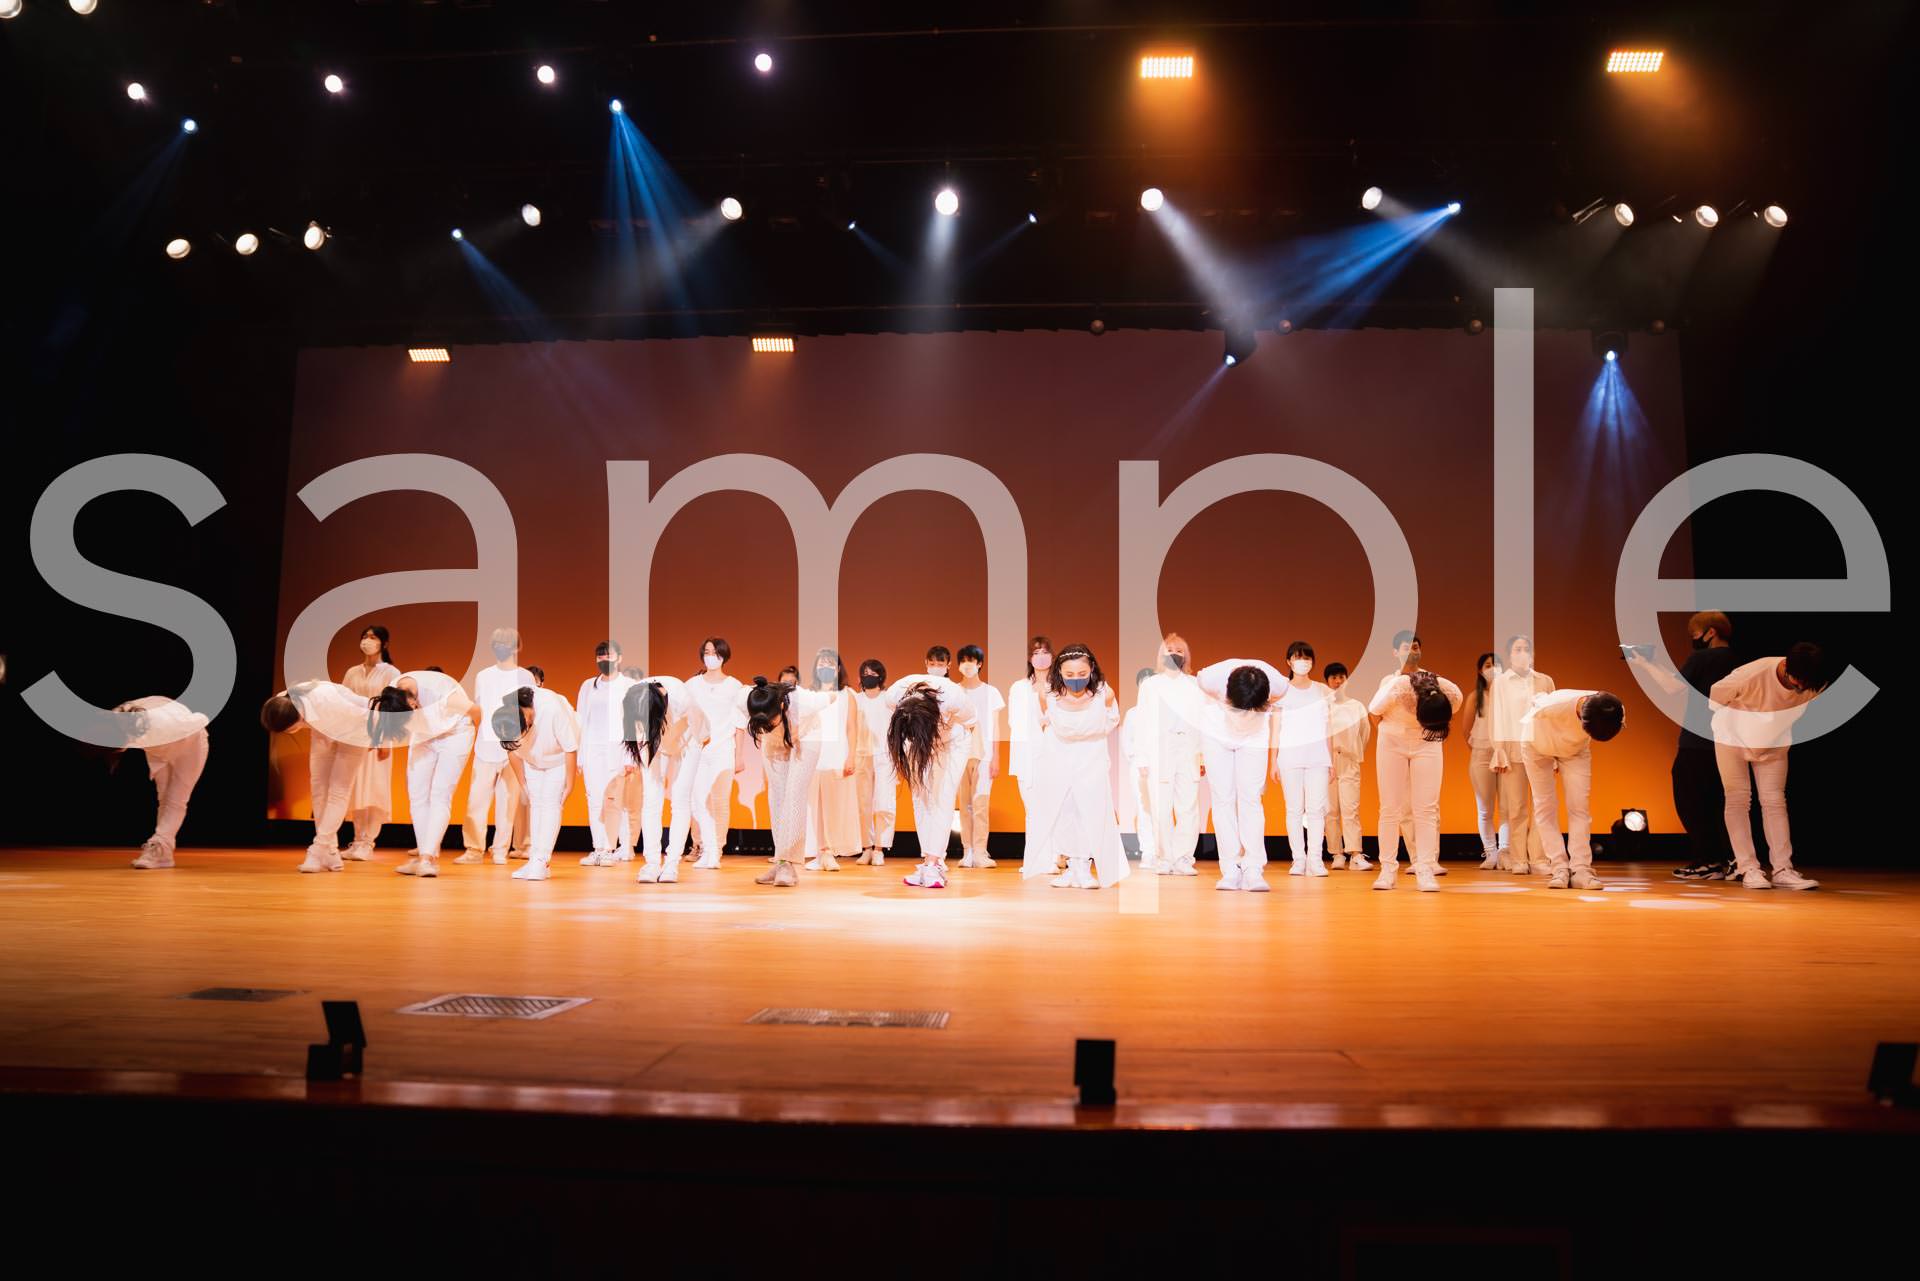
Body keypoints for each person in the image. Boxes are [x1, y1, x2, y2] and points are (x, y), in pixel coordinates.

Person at [1626, 611, 1741, 880]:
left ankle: (1708, 861)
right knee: (1722, 802)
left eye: (1695, 634)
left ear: (1710, 632)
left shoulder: (1703, 657)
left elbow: (1673, 687)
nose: (1694, 639)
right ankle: (1733, 858)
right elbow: (1682, 681)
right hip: (1729, 740)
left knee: (1691, 800)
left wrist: (1644, 664)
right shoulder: (1736, 659)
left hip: (1698, 741)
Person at [1710, 644, 1830, 891]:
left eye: (1805, 684)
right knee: (1738, 799)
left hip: (1774, 741)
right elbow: (1715, 696)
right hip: (1731, 738)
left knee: (1775, 801)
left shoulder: (1815, 682)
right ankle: (1748, 868)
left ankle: (1783, 869)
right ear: (1785, 665)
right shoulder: (1753, 673)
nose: (1800, 687)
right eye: (1797, 680)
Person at [1366, 632, 1462, 892]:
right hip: (1392, 742)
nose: (1412, 650)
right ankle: (1387, 870)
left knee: (1426, 808)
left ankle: (1425, 869)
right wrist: (1391, 734)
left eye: (1416, 646)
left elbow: (1453, 703)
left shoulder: (1435, 681)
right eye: (1407, 646)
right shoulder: (1391, 682)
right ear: (1395, 652)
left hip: (1426, 742)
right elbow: (1374, 712)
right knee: (1390, 807)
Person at [1030, 644, 1129, 890]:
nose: (1076, 679)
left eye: (1082, 674)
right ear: (1059, 672)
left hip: (1091, 759)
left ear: (1091, 669)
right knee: (1064, 812)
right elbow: (1045, 724)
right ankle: (1071, 866)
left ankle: (1084, 867)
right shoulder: (1048, 695)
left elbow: (1110, 723)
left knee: (1090, 811)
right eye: (1069, 674)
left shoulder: (1104, 694)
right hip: (1058, 759)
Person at [367, 670, 477, 879]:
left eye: (413, 709)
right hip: (424, 735)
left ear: (412, 698)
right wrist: (381, 741)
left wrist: (482, 743)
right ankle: (423, 856)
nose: (416, 709)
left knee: (440, 795)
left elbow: (476, 711)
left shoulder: (442, 693)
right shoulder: (393, 693)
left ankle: (428, 859)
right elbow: (385, 718)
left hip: (455, 733)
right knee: (417, 796)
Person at [261, 680, 378, 873]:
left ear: (299, 715)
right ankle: (330, 851)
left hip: (355, 729)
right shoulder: (283, 701)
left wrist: (377, 737)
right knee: (319, 789)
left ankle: (317, 850)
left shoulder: (330, 701)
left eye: (289, 728)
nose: (290, 732)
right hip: (324, 728)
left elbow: (367, 710)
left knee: (338, 791)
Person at [1194, 656, 1285, 892]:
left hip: (1254, 736)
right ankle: (1230, 868)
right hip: (1217, 734)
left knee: (1251, 799)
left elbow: (1280, 697)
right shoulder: (1211, 679)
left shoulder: (1277, 683)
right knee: (1223, 799)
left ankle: (1253, 869)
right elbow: (1199, 689)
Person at [1520, 689, 1626, 890]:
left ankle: (1581, 869)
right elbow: (1529, 713)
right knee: (1545, 806)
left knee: (1579, 807)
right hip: (1536, 747)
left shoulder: (1615, 710)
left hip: (1576, 751)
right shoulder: (1552, 705)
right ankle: (1559, 867)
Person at [745, 676, 845, 887]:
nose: (766, 725)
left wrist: (798, 726)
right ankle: (781, 862)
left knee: (794, 795)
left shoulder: (804, 701)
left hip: (806, 736)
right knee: (777, 798)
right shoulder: (747, 699)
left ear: (781, 707)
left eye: (769, 720)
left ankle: (787, 865)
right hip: (774, 742)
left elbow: (833, 696)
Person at [887, 674, 978, 890]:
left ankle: (934, 862)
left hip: (954, 741)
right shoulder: (893, 695)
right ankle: (928, 860)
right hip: (916, 739)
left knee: (942, 796)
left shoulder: (952, 697)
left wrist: (941, 734)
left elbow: (971, 722)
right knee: (921, 797)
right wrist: (916, 740)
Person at [459, 627, 534, 865]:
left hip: (514, 747)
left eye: (505, 643)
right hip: (485, 745)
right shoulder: (483, 675)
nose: (501, 647)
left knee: (507, 802)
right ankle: (473, 849)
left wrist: (522, 742)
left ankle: (500, 849)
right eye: (497, 643)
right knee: (476, 801)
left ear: (516, 646)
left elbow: (530, 712)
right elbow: (479, 709)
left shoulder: (525, 676)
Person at [111, 697, 211, 869]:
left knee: (176, 799)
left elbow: (201, 718)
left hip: (191, 745)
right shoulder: (117, 719)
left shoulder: (163, 724)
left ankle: (159, 846)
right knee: (164, 799)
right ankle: (163, 853)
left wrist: (181, 719)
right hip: (159, 749)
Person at [622, 675, 703, 884]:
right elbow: (633, 733)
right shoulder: (632, 698)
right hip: (652, 740)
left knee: (680, 799)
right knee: (651, 798)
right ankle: (651, 863)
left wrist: (685, 747)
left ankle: (671, 863)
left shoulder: (681, 698)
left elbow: (702, 732)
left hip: (688, 740)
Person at [497, 683, 579, 882]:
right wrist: (523, 783)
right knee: (536, 804)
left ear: (526, 713)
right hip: (532, 760)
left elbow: (570, 747)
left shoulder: (552, 709)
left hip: (558, 759)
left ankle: (542, 860)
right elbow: (512, 751)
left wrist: (570, 783)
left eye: (527, 723)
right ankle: (535, 859)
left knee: (551, 804)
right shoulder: (506, 716)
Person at [1140, 633, 1206, 877]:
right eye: (1170, 650)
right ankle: (1164, 858)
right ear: (1161, 655)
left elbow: (1202, 722)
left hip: (1188, 749)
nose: (1175, 654)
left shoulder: (1195, 685)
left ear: (1186, 656)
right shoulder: (1151, 685)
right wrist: (1142, 758)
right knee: (1161, 807)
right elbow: (1143, 723)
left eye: (1179, 651)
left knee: (1188, 807)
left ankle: (1183, 858)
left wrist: (1202, 756)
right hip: (1160, 751)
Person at [1487, 633, 1554, 875]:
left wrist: (1555, 751)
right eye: (1517, 648)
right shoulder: (1501, 683)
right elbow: (1497, 717)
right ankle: (1518, 858)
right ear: (1509, 654)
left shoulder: (1545, 681)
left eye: (1527, 648)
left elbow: (1552, 717)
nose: (1523, 652)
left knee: (1542, 806)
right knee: (1516, 807)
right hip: (1514, 750)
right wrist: (1499, 749)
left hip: (1541, 749)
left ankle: (1539, 858)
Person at [680, 637, 748, 869]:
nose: (711, 657)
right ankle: (699, 845)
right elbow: (684, 717)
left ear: (724, 656)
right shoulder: (692, 684)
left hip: (723, 748)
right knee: (697, 799)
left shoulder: (734, 686)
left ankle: (716, 848)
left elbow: (739, 723)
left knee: (719, 800)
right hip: (697, 749)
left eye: (716, 653)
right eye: (707, 652)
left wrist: (739, 756)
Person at [1272, 641, 1334, 878]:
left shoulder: (1322, 691)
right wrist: (1273, 761)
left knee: (1316, 810)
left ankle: (1315, 859)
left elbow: (1329, 728)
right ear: (1289, 661)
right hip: (1290, 757)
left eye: (1307, 658)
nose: (1303, 662)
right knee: (1294, 810)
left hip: (1318, 757)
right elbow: (1275, 728)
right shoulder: (1282, 692)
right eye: (1298, 657)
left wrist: (1331, 761)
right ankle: (1298, 859)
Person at [339, 624, 399, 860]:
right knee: (357, 788)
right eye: (365, 636)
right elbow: (343, 702)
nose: (367, 641)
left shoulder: (391, 673)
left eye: (373, 637)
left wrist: (385, 741)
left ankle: (368, 841)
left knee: (374, 788)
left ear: (384, 643)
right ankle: (357, 840)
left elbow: (393, 709)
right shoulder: (352, 672)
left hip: (379, 733)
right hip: (355, 735)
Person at [575, 640, 638, 868]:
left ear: (619, 658)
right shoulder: (588, 686)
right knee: (594, 799)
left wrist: (631, 756)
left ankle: (614, 847)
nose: (604, 660)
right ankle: (599, 848)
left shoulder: (629, 685)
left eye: (609, 656)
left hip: (617, 749)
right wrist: (580, 755)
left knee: (614, 800)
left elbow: (633, 721)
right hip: (592, 747)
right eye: (600, 656)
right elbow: (580, 720)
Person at [802, 648, 863, 872]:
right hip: (813, 754)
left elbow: (852, 728)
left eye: (830, 664)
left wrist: (851, 756)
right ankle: (821, 852)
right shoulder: (809, 694)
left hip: (837, 756)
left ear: (837, 668)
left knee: (835, 806)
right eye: (821, 664)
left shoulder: (848, 694)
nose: (825, 668)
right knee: (814, 806)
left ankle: (829, 851)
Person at [950, 644, 1006, 869]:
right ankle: (968, 851)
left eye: (971, 661)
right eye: (963, 661)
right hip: (959, 754)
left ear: (979, 664)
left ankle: (981, 852)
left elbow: (996, 727)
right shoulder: (953, 691)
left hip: (984, 755)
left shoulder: (991, 692)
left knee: (980, 804)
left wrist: (996, 757)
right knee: (964, 805)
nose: (967, 665)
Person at [1006, 636, 1058, 877]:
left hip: (1054, 753)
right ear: (1029, 658)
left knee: (1052, 807)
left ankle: (1053, 857)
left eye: (1045, 652)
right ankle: (1036, 859)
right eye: (1036, 653)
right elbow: (1014, 723)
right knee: (1032, 809)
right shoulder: (1019, 688)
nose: (1041, 657)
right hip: (1027, 755)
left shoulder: (1060, 686)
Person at [1459, 652, 1511, 870]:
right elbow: (1466, 730)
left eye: (1496, 665)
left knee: (1508, 807)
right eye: (1488, 665)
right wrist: (1481, 751)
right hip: (1481, 756)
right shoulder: (1475, 697)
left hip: (1507, 755)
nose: (1492, 669)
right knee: (1485, 809)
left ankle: (1506, 853)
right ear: (1481, 671)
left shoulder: (1509, 696)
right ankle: (1491, 853)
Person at [1321, 662, 1371, 870]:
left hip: (1349, 760)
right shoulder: (1323, 706)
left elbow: (1364, 734)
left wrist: (1354, 752)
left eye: (1341, 677)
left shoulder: (1356, 706)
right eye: (1333, 677)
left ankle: (1355, 854)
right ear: (1327, 681)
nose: (1338, 681)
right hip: (1327, 762)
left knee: (1351, 808)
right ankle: (1336, 854)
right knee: (1331, 810)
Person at [851, 657, 896, 865]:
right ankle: (867, 848)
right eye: (865, 673)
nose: (869, 677)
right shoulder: (855, 700)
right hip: (861, 755)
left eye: (873, 673)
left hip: (885, 755)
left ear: (881, 676)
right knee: (863, 804)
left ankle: (880, 848)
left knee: (884, 802)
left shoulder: (889, 699)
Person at [1120, 667, 1158, 868]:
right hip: (1139, 767)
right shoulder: (1133, 713)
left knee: (1163, 809)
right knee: (1144, 810)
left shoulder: (1165, 713)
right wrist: (1139, 761)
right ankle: (1148, 852)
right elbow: (1127, 742)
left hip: (1161, 766)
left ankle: (1164, 852)